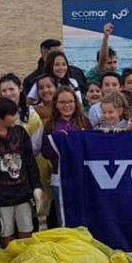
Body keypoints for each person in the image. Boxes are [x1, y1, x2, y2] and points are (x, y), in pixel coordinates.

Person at [0, 98, 44, 248]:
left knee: (27, 231)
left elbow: (30, 162)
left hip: (23, 194)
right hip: (0, 197)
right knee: (5, 234)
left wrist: (36, 186)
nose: (16, 118)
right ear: (1, 116)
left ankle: (25, 260)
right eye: (13, 114)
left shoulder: (20, 132)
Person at [41, 86, 91, 228]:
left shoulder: (85, 123)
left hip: (83, 176)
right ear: (56, 104)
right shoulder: (50, 125)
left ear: (76, 103)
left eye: (70, 101)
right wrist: (58, 141)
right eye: (62, 102)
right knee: (63, 213)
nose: (67, 105)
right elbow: (45, 152)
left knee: (84, 212)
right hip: (60, 176)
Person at [22, 39, 86, 98]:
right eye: (56, 54)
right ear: (44, 55)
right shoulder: (32, 80)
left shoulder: (76, 73)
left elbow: (83, 98)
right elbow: (30, 102)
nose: (60, 57)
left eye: (62, 54)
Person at [0, 74, 43, 157]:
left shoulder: (31, 114)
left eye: (11, 89)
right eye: (4, 91)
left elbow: (36, 144)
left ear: (20, 88)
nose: (8, 94)